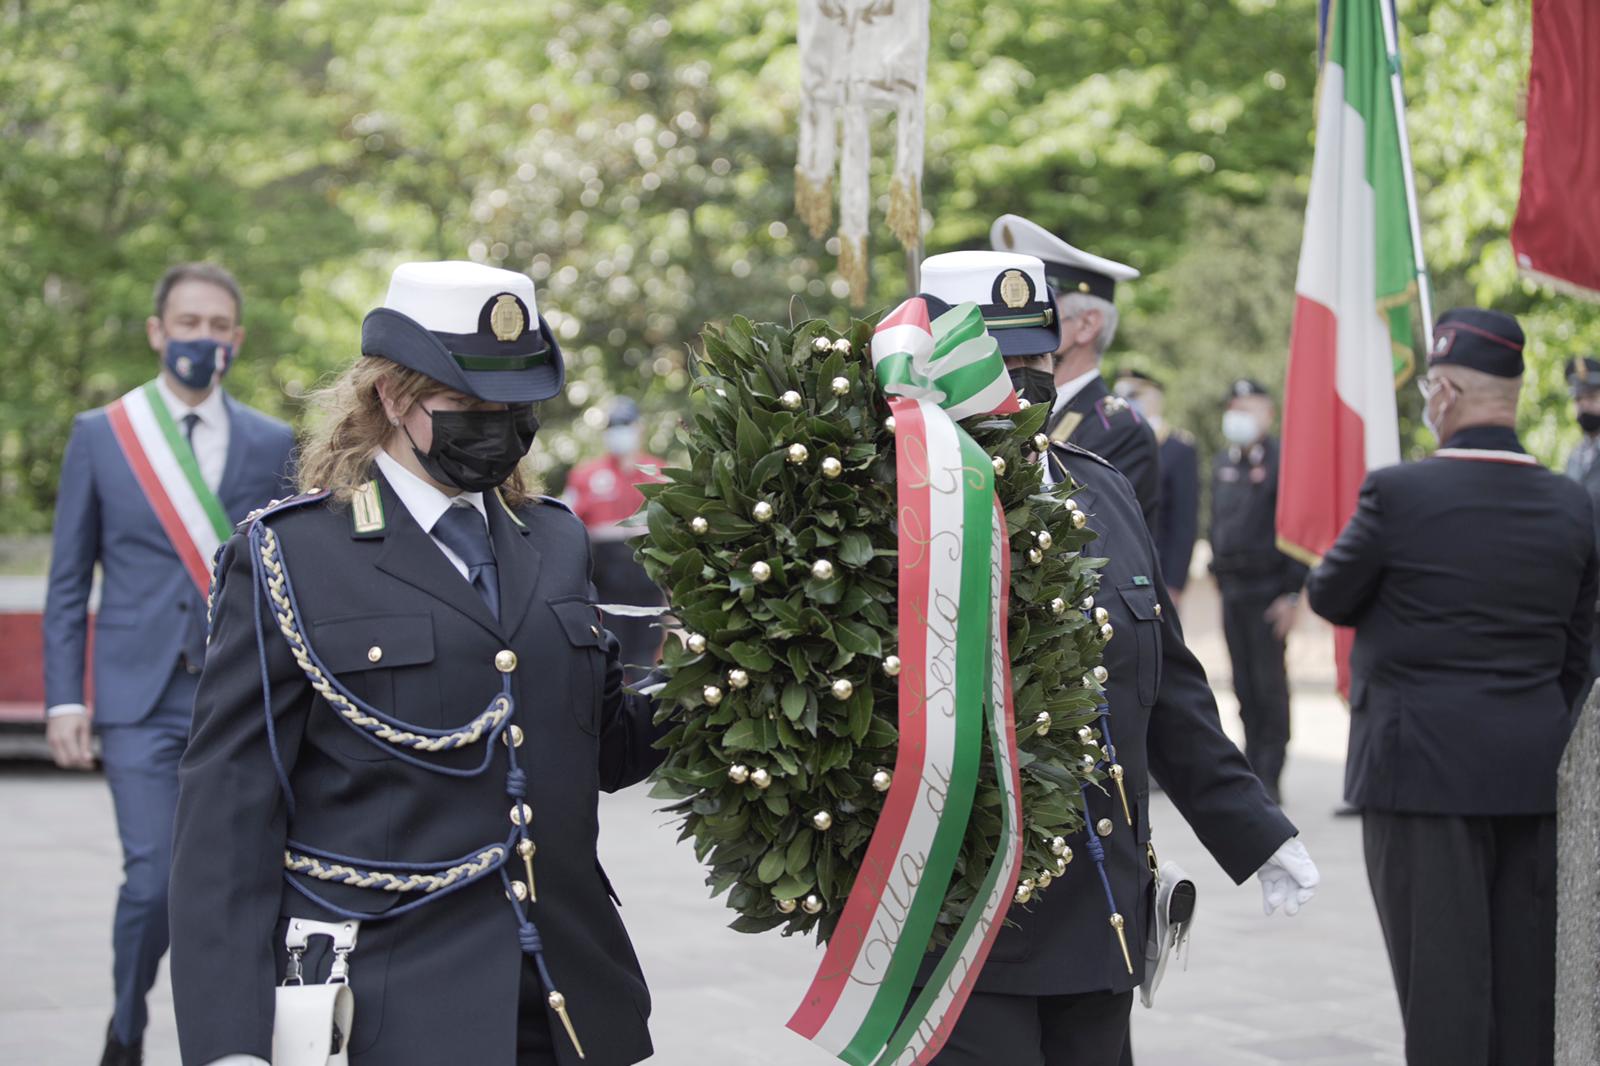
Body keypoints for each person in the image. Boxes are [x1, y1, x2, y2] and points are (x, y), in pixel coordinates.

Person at [167, 262, 667, 1066]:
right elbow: (227, 824)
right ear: (393, 398)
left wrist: (731, 674)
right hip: (394, 1009)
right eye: (468, 405)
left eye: (514, 407)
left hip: (570, 1003)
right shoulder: (291, 556)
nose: (498, 426)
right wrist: (229, 1047)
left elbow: (601, 746)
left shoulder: (556, 538)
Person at [913, 251, 1319, 1066]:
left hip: (1096, 910)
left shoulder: (1101, 488)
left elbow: (1165, 686)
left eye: (1037, 358)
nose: (1024, 381)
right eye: (1000, 359)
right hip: (958, 920)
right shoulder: (898, 502)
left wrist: (1255, 830)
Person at [1307, 309, 1597, 1066]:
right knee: (1525, 991)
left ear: (1447, 391)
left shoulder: (1400, 495)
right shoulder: (1573, 505)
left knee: (1442, 996)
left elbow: (1330, 595)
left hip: (1418, 777)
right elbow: (1579, 652)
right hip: (1531, 775)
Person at [41, 262, 295, 1066]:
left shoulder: (270, 441)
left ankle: (225, 1045)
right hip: (137, 696)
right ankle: (125, 1025)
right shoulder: (101, 435)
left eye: (219, 327)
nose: (203, 339)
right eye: (189, 324)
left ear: (237, 340)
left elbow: (292, 573)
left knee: (229, 887)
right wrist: (63, 700)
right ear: (158, 332)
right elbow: (67, 579)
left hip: (237, 697)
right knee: (152, 882)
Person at [991, 214, 1160, 529]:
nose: (1018, 327)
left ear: (1086, 324)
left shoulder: (1118, 429)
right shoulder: (1007, 405)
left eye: (1039, 314)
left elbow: (1079, 536)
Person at [1209, 378, 1305, 804]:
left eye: (1249, 407)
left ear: (1268, 413)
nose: (1239, 415)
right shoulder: (1223, 461)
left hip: (1270, 591)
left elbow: (1296, 531)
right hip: (1232, 589)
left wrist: (1292, 595)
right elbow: (1218, 523)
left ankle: (1272, 771)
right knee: (1243, 684)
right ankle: (1253, 768)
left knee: (1269, 686)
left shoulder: (1284, 461)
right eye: (1236, 406)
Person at [563, 397, 667, 679]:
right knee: (611, 655)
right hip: (605, 586)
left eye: (625, 425)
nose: (619, 432)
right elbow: (567, 526)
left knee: (647, 656)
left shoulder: (659, 473)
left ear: (639, 428)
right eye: (614, 426)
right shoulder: (586, 476)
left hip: (647, 584)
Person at [1114, 369, 1199, 605]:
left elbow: (1184, 522)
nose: (1125, 401)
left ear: (1155, 397)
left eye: (1134, 394)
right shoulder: (1113, 441)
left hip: (1157, 570)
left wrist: (1174, 582)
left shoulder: (1178, 448)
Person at [1564, 355, 1600, 676]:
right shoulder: (1574, 457)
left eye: (1591, 397)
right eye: (1578, 399)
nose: (1583, 407)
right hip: (1586, 597)